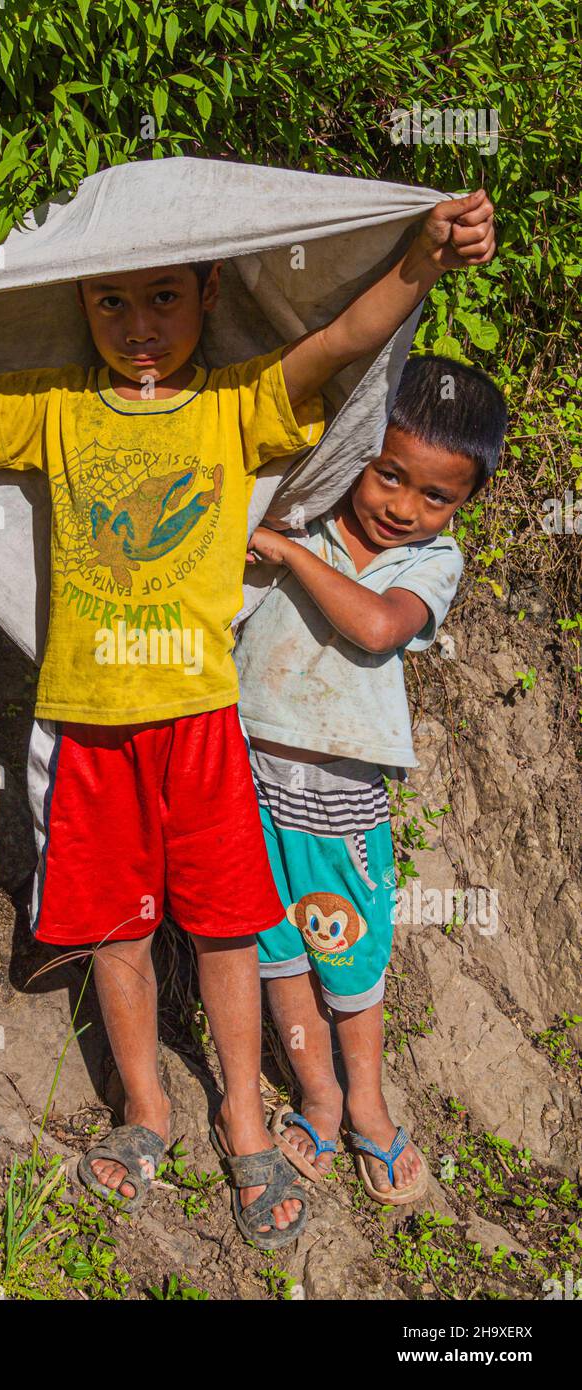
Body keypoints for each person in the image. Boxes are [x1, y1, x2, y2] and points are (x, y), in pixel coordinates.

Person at [0, 184, 495, 1246]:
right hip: (85, 726)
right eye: (112, 301)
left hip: (201, 722)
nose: (137, 325)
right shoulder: (52, 403)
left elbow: (342, 338)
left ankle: (245, 1120)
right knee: (117, 932)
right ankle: (145, 1111)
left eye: (163, 297)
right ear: (78, 302)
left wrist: (423, 259)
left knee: (227, 930)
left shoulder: (236, 403)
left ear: (208, 290)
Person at [236, 353, 507, 1205]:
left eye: (437, 496)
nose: (405, 508)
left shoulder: (427, 564)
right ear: (357, 449)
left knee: (347, 960)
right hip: (251, 775)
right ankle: (317, 1097)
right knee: (278, 955)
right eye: (390, 476)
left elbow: (378, 628)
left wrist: (284, 554)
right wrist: (287, 534)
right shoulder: (303, 510)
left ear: (462, 505)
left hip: (338, 803)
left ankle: (371, 1108)